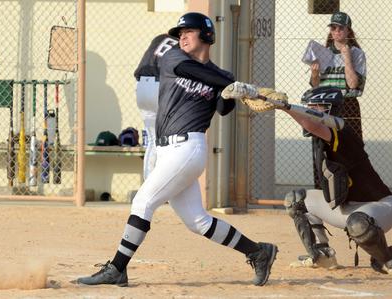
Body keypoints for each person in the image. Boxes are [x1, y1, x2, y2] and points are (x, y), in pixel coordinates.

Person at [76, 12, 278, 287]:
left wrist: (235, 93)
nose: (182, 36)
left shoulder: (223, 76)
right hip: (165, 152)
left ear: (207, 35)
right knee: (198, 222)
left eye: (189, 32)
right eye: (180, 32)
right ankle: (258, 252)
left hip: (188, 148)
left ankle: (117, 268)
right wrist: (229, 84)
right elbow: (193, 72)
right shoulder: (174, 58)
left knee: (143, 202)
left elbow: (223, 108)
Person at [281, 86, 392, 277]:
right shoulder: (319, 141)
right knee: (296, 199)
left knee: (358, 223)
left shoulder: (343, 132)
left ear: (330, 109)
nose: (308, 110)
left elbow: (312, 124)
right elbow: (312, 125)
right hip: (347, 209)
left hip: (378, 208)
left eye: (315, 107)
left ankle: (389, 259)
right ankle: (322, 255)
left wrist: (284, 107)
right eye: (308, 106)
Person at [309, 11, 366, 139]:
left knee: (351, 147)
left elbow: (352, 84)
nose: (337, 31)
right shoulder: (323, 53)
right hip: (325, 103)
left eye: (341, 28)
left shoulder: (357, 54)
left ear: (348, 31)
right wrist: (314, 74)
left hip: (347, 104)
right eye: (333, 28)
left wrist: (346, 57)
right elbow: (315, 85)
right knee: (324, 144)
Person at [134, 33, 178, 179]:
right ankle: (163, 185)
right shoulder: (184, 44)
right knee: (170, 142)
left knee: (153, 141)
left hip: (141, 86)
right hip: (161, 87)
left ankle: (149, 186)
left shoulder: (160, 38)